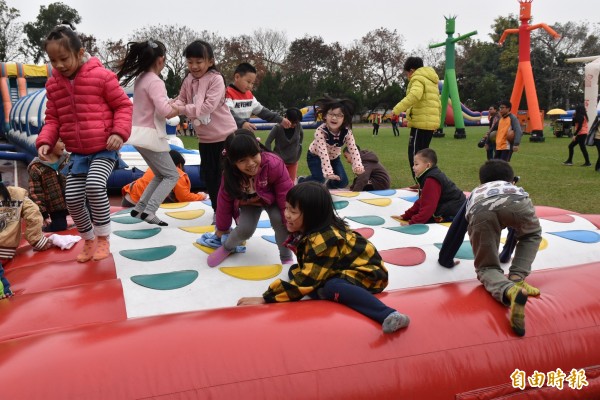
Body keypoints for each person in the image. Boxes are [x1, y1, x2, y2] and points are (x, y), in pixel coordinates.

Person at [237, 181, 411, 334]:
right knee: (295, 270)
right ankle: (322, 288)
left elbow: (307, 279)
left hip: (369, 274)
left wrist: (266, 298)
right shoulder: (312, 231)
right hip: (342, 267)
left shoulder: (324, 239)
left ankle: (389, 314)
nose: (287, 215)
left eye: (293, 211)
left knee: (331, 286)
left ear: (312, 215)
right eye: (287, 208)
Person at [36, 22, 132, 263]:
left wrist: (119, 133)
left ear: (80, 53)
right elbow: (53, 118)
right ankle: (88, 239)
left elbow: (123, 106)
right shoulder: (54, 84)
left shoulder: (101, 77)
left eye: (64, 59)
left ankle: (102, 238)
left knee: (94, 186)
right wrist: (46, 140)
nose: (58, 65)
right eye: (53, 60)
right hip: (78, 154)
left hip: (103, 149)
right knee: (73, 198)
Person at [466, 159, 542, 336]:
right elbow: (526, 229)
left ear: (481, 182)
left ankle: (509, 290)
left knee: (486, 267)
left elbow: (461, 226)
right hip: (517, 202)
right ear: (511, 180)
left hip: (480, 209)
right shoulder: (512, 187)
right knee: (531, 234)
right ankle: (517, 276)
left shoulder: (477, 192)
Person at [116, 39, 181, 226]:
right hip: (151, 136)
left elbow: (157, 105)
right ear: (161, 60)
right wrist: (182, 108)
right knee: (172, 175)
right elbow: (165, 111)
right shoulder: (155, 81)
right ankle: (150, 210)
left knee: (159, 174)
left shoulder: (141, 78)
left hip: (138, 134)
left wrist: (173, 102)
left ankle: (140, 208)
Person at [206, 129, 294, 267]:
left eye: (254, 155)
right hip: (249, 202)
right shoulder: (229, 175)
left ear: (258, 149)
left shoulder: (274, 164)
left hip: (273, 200)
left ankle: (286, 257)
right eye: (242, 160)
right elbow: (224, 201)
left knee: (280, 222)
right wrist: (222, 228)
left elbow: (285, 194)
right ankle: (227, 247)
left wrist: (289, 220)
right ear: (233, 161)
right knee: (245, 229)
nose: (251, 163)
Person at [171, 40, 237, 221]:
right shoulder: (188, 80)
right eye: (190, 62)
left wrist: (180, 109)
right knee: (210, 178)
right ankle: (219, 212)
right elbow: (181, 99)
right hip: (206, 140)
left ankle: (235, 212)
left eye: (199, 62)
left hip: (225, 137)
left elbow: (206, 107)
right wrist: (169, 106)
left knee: (228, 178)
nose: (194, 66)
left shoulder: (216, 79)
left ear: (210, 61)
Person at [297, 97, 364, 189]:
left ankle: (325, 186)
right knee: (319, 179)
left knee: (343, 182)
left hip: (334, 157)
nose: (334, 118)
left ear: (344, 118)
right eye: (331, 114)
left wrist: (357, 165)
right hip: (315, 156)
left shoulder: (347, 132)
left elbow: (353, 149)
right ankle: (301, 181)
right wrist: (328, 172)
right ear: (325, 116)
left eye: (339, 115)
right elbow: (323, 153)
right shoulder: (320, 131)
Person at [392, 57, 441, 179]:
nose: (407, 76)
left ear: (412, 70)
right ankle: (426, 182)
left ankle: (421, 183)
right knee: (425, 156)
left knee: (415, 156)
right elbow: (436, 102)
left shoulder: (417, 78)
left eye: (407, 73)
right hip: (429, 123)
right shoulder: (431, 80)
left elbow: (415, 95)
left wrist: (397, 110)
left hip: (421, 123)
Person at [1, 181, 53, 298]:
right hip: (6, 251)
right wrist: (37, 240)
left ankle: (4, 290)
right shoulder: (17, 193)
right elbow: (33, 215)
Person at [393, 148, 465, 225]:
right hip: (452, 208)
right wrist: (406, 216)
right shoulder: (430, 176)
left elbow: (428, 207)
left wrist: (412, 223)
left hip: (455, 212)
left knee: (428, 221)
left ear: (427, 165)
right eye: (413, 164)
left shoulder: (432, 180)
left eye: (416, 164)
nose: (413, 167)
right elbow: (422, 201)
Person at [121, 150, 208, 207]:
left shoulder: (154, 167)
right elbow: (184, 198)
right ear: (179, 165)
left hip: (128, 200)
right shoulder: (177, 174)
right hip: (138, 206)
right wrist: (201, 196)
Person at [225, 62, 291, 132]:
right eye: (248, 81)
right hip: (229, 136)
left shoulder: (249, 95)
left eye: (252, 83)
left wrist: (280, 119)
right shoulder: (227, 93)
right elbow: (227, 113)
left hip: (243, 135)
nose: (250, 86)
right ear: (237, 77)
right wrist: (242, 123)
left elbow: (262, 111)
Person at [27, 138, 69, 232]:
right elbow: (35, 193)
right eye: (61, 141)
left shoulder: (67, 159)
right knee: (60, 226)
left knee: (89, 219)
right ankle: (45, 229)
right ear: (49, 144)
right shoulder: (36, 167)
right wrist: (43, 214)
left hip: (74, 202)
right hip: (56, 208)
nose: (64, 144)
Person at [265, 107, 304, 182]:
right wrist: (271, 157)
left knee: (291, 183)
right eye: (293, 122)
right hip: (279, 163)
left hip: (293, 161)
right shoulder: (278, 127)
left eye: (297, 122)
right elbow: (268, 142)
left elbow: (301, 135)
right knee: (279, 183)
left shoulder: (298, 126)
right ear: (286, 118)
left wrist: (299, 147)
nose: (295, 125)